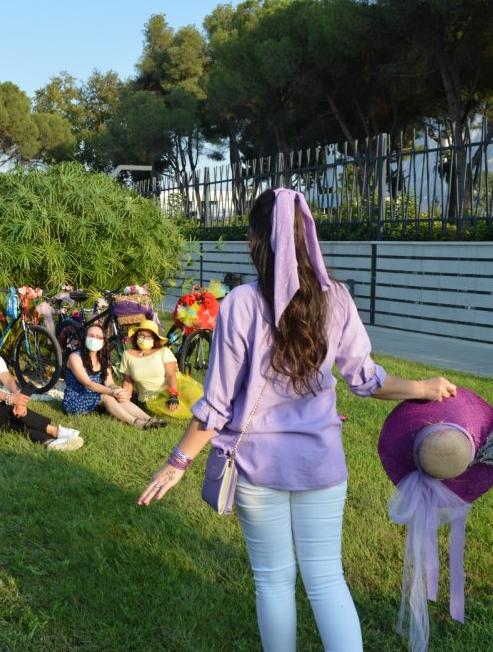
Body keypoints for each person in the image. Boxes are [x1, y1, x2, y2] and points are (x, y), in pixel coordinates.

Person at [138, 188, 457, 652]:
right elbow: (365, 379)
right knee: (327, 580)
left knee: (272, 581)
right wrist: (423, 388)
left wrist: (177, 462)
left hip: (256, 467)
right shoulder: (337, 298)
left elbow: (217, 404)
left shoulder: (241, 303)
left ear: (256, 242)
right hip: (320, 463)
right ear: (307, 238)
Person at [0, 319, 83, 450]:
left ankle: (49, 442)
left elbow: (8, 380)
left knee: (17, 422)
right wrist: (11, 399)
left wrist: (18, 400)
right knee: (8, 407)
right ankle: (56, 431)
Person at [62, 324, 165, 430]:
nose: (94, 339)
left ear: (103, 342)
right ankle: (135, 422)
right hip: (76, 399)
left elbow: (110, 383)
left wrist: (117, 390)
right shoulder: (75, 357)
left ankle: (150, 419)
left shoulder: (103, 359)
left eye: (98, 337)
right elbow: (88, 384)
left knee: (119, 396)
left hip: (95, 397)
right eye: (91, 335)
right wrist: (111, 392)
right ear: (85, 338)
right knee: (106, 396)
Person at [118, 320, 181, 414]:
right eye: (141, 335)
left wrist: (173, 395)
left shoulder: (164, 351)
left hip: (167, 396)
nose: (144, 339)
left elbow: (171, 375)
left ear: (155, 339)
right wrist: (125, 403)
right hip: (144, 401)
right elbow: (128, 383)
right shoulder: (127, 354)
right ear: (136, 336)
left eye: (148, 336)